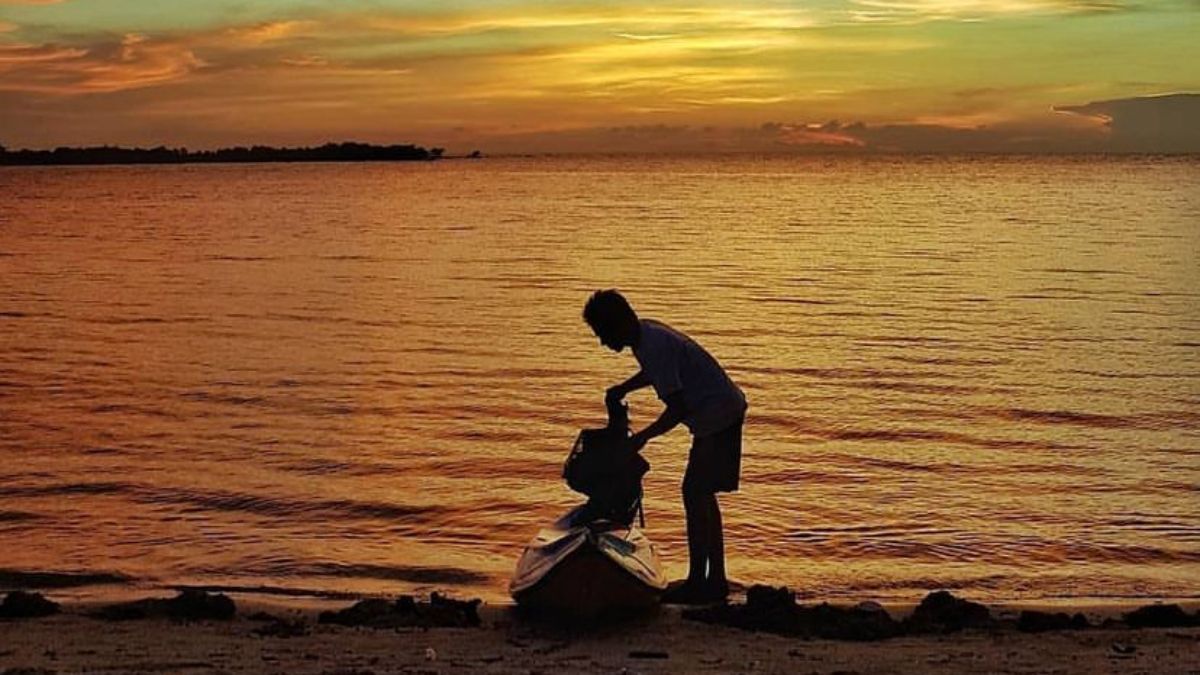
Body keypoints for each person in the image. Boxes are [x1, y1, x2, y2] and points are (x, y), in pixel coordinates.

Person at [583, 289, 747, 604]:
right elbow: (658, 373)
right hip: (720, 413)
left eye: (603, 334)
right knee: (701, 494)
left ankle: (702, 582)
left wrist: (641, 439)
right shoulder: (645, 336)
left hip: (718, 416)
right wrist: (625, 387)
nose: (602, 342)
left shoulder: (652, 344)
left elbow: (677, 409)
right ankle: (714, 580)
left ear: (618, 325)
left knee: (694, 492)